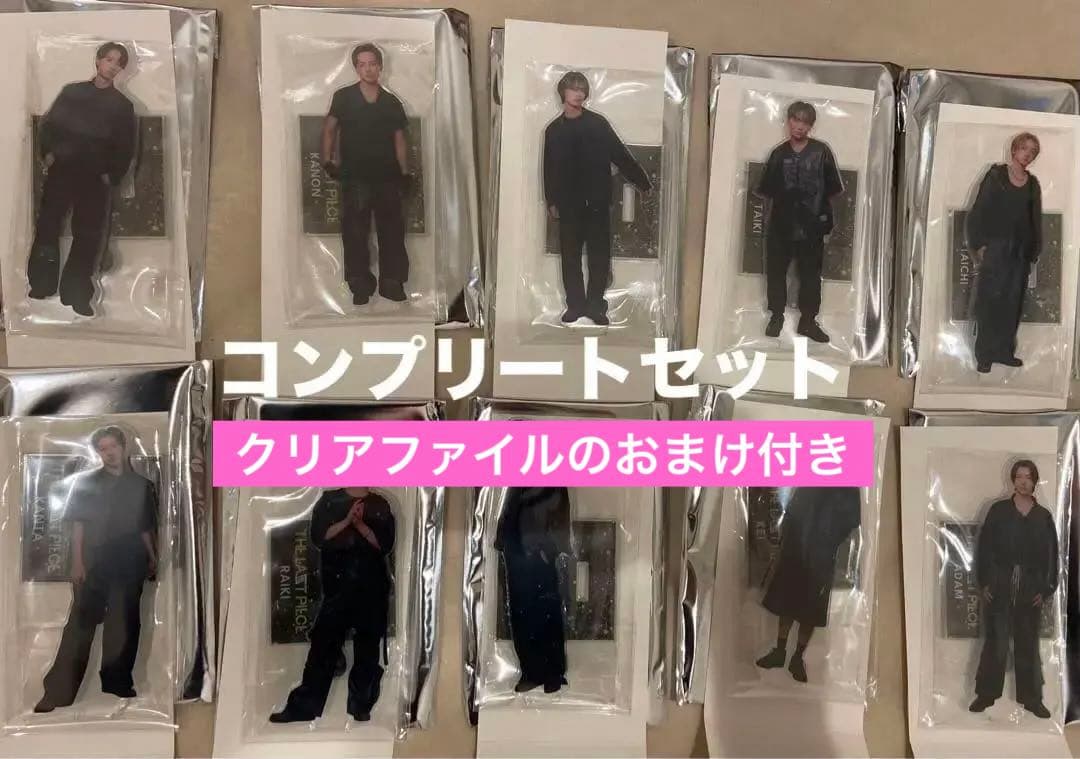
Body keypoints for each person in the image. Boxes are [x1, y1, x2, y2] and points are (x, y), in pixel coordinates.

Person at [34, 426, 158, 712]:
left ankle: (117, 682)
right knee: (80, 624)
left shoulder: (141, 486)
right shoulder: (86, 483)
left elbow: (145, 527)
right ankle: (57, 692)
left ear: (124, 446)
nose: (109, 453)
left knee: (124, 624)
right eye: (103, 448)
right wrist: (77, 562)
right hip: (93, 561)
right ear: (98, 453)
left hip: (129, 561)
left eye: (113, 446)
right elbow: (78, 525)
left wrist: (153, 556)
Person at [26, 42, 137, 317]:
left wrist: (111, 175)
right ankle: (41, 285)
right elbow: (50, 126)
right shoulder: (72, 92)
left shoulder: (122, 106)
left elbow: (126, 147)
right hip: (62, 171)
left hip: (95, 179)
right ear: (98, 60)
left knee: (87, 236)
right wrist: (48, 154)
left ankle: (77, 295)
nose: (113, 66)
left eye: (119, 63)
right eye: (109, 59)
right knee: (48, 226)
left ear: (122, 70)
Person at [271, 487, 395, 723]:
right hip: (337, 590)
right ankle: (304, 706)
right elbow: (319, 537)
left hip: (371, 589)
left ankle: (361, 705)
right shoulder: (330, 501)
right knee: (323, 646)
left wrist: (360, 525)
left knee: (367, 649)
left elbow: (384, 544)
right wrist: (348, 521)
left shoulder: (380, 505)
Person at [542, 71, 652, 326]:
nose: (578, 93)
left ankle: (595, 307)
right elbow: (549, 169)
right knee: (570, 258)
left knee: (599, 257)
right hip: (568, 205)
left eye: (582, 89)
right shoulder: (553, 131)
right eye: (573, 88)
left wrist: (642, 183)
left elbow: (620, 154)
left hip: (597, 203)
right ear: (563, 92)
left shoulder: (598, 124)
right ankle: (575, 306)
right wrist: (551, 201)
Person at [322, 43, 412, 307]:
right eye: (362, 64)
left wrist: (405, 173)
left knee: (392, 231)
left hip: (387, 177)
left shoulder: (391, 102)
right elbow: (329, 129)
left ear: (380, 66)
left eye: (372, 63)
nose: (368, 69)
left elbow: (400, 139)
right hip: (354, 176)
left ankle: (392, 283)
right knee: (354, 233)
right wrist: (327, 161)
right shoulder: (343, 97)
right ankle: (359, 284)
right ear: (356, 68)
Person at [969, 459, 1057, 719]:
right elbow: (985, 548)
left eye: (1028, 477)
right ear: (1012, 479)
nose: (1023, 482)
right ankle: (985, 694)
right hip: (999, 584)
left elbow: (1052, 555)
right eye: (1019, 476)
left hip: (1031, 587)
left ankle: (1032, 699)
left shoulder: (1043, 517)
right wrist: (984, 582)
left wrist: (1046, 588)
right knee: (996, 642)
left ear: (1035, 481)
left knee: (1027, 644)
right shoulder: (998, 510)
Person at [756, 101, 844, 344]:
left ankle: (808, 321)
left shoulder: (821, 152)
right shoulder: (778, 154)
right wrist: (767, 223)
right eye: (796, 120)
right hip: (780, 225)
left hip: (812, 225)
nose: (799, 126)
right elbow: (767, 192)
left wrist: (828, 223)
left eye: (805, 122)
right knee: (776, 272)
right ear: (788, 121)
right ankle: (776, 316)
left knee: (810, 276)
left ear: (811, 125)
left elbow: (833, 191)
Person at [754, 486, 861, 683]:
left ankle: (797, 658)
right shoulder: (813, 476)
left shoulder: (848, 487)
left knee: (810, 609)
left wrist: (830, 539)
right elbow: (794, 505)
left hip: (822, 554)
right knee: (786, 600)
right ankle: (780, 652)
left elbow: (853, 518)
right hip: (796, 545)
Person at [966, 133, 1043, 374]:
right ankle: (985, 355)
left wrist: (1033, 253)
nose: (1028, 154)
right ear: (1014, 149)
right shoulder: (996, 176)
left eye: (1033, 152)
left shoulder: (1033, 185)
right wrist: (979, 244)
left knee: (1012, 304)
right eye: (1024, 148)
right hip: (996, 250)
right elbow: (979, 210)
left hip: (1020, 255)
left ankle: (1004, 352)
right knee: (989, 301)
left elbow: (1035, 221)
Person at [495, 486, 572, 694]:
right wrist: (504, 541)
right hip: (518, 550)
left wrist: (552, 547)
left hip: (538, 551)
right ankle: (532, 671)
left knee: (545, 610)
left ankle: (552, 672)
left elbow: (559, 512)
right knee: (522, 612)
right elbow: (510, 507)